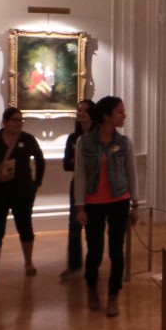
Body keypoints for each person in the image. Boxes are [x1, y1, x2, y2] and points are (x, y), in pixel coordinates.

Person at [74, 96, 139, 317]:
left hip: (119, 200)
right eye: (120, 112)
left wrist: (136, 203)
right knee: (94, 250)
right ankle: (92, 288)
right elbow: (80, 175)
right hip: (93, 202)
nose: (124, 116)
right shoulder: (85, 142)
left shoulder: (124, 143)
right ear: (106, 116)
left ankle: (113, 295)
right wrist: (80, 206)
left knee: (116, 250)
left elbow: (131, 173)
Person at [0, 107, 45, 289]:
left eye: (21, 120)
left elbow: (40, 160)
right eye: (15, 120)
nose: (19, 123)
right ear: (4, 122)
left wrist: (36, 184)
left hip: (22, 191)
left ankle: (28, 263)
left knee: (25, 227)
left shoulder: (27, 139)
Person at [60, 98, 97, 281]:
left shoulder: (98, 135)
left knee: (93, 228)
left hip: (96, 186)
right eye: (78, 109)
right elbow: (66, 164)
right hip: (78, 185)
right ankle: (73, 265)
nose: (80, 113)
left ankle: (93, 265)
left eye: (83, 110)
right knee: (74, 225)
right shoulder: (73, 138)